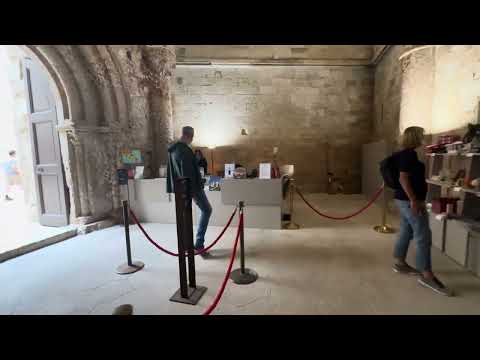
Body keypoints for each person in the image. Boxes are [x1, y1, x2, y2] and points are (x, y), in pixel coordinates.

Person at [392, 126, 453, 296]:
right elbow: (403, 178)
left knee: (406, 231)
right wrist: (413, 200)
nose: (423, 137)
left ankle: (400, 262)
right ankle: (427, 274)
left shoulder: (404, 153)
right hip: (409, 201)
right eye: (421, 135)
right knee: (423, 235)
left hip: (403, 200)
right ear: (415, 137)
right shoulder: (409, 154)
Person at [167, 126, 212, 258]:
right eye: (192, 137)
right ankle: (199, 243)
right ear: (190, 136)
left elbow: (175, 172)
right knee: (207, 210)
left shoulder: (173, 149)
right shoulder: (185, 150)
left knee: (185, 216)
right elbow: (188, 172)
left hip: (181, 188)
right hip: (191, 188)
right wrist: (195, 188)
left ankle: (187, 245)